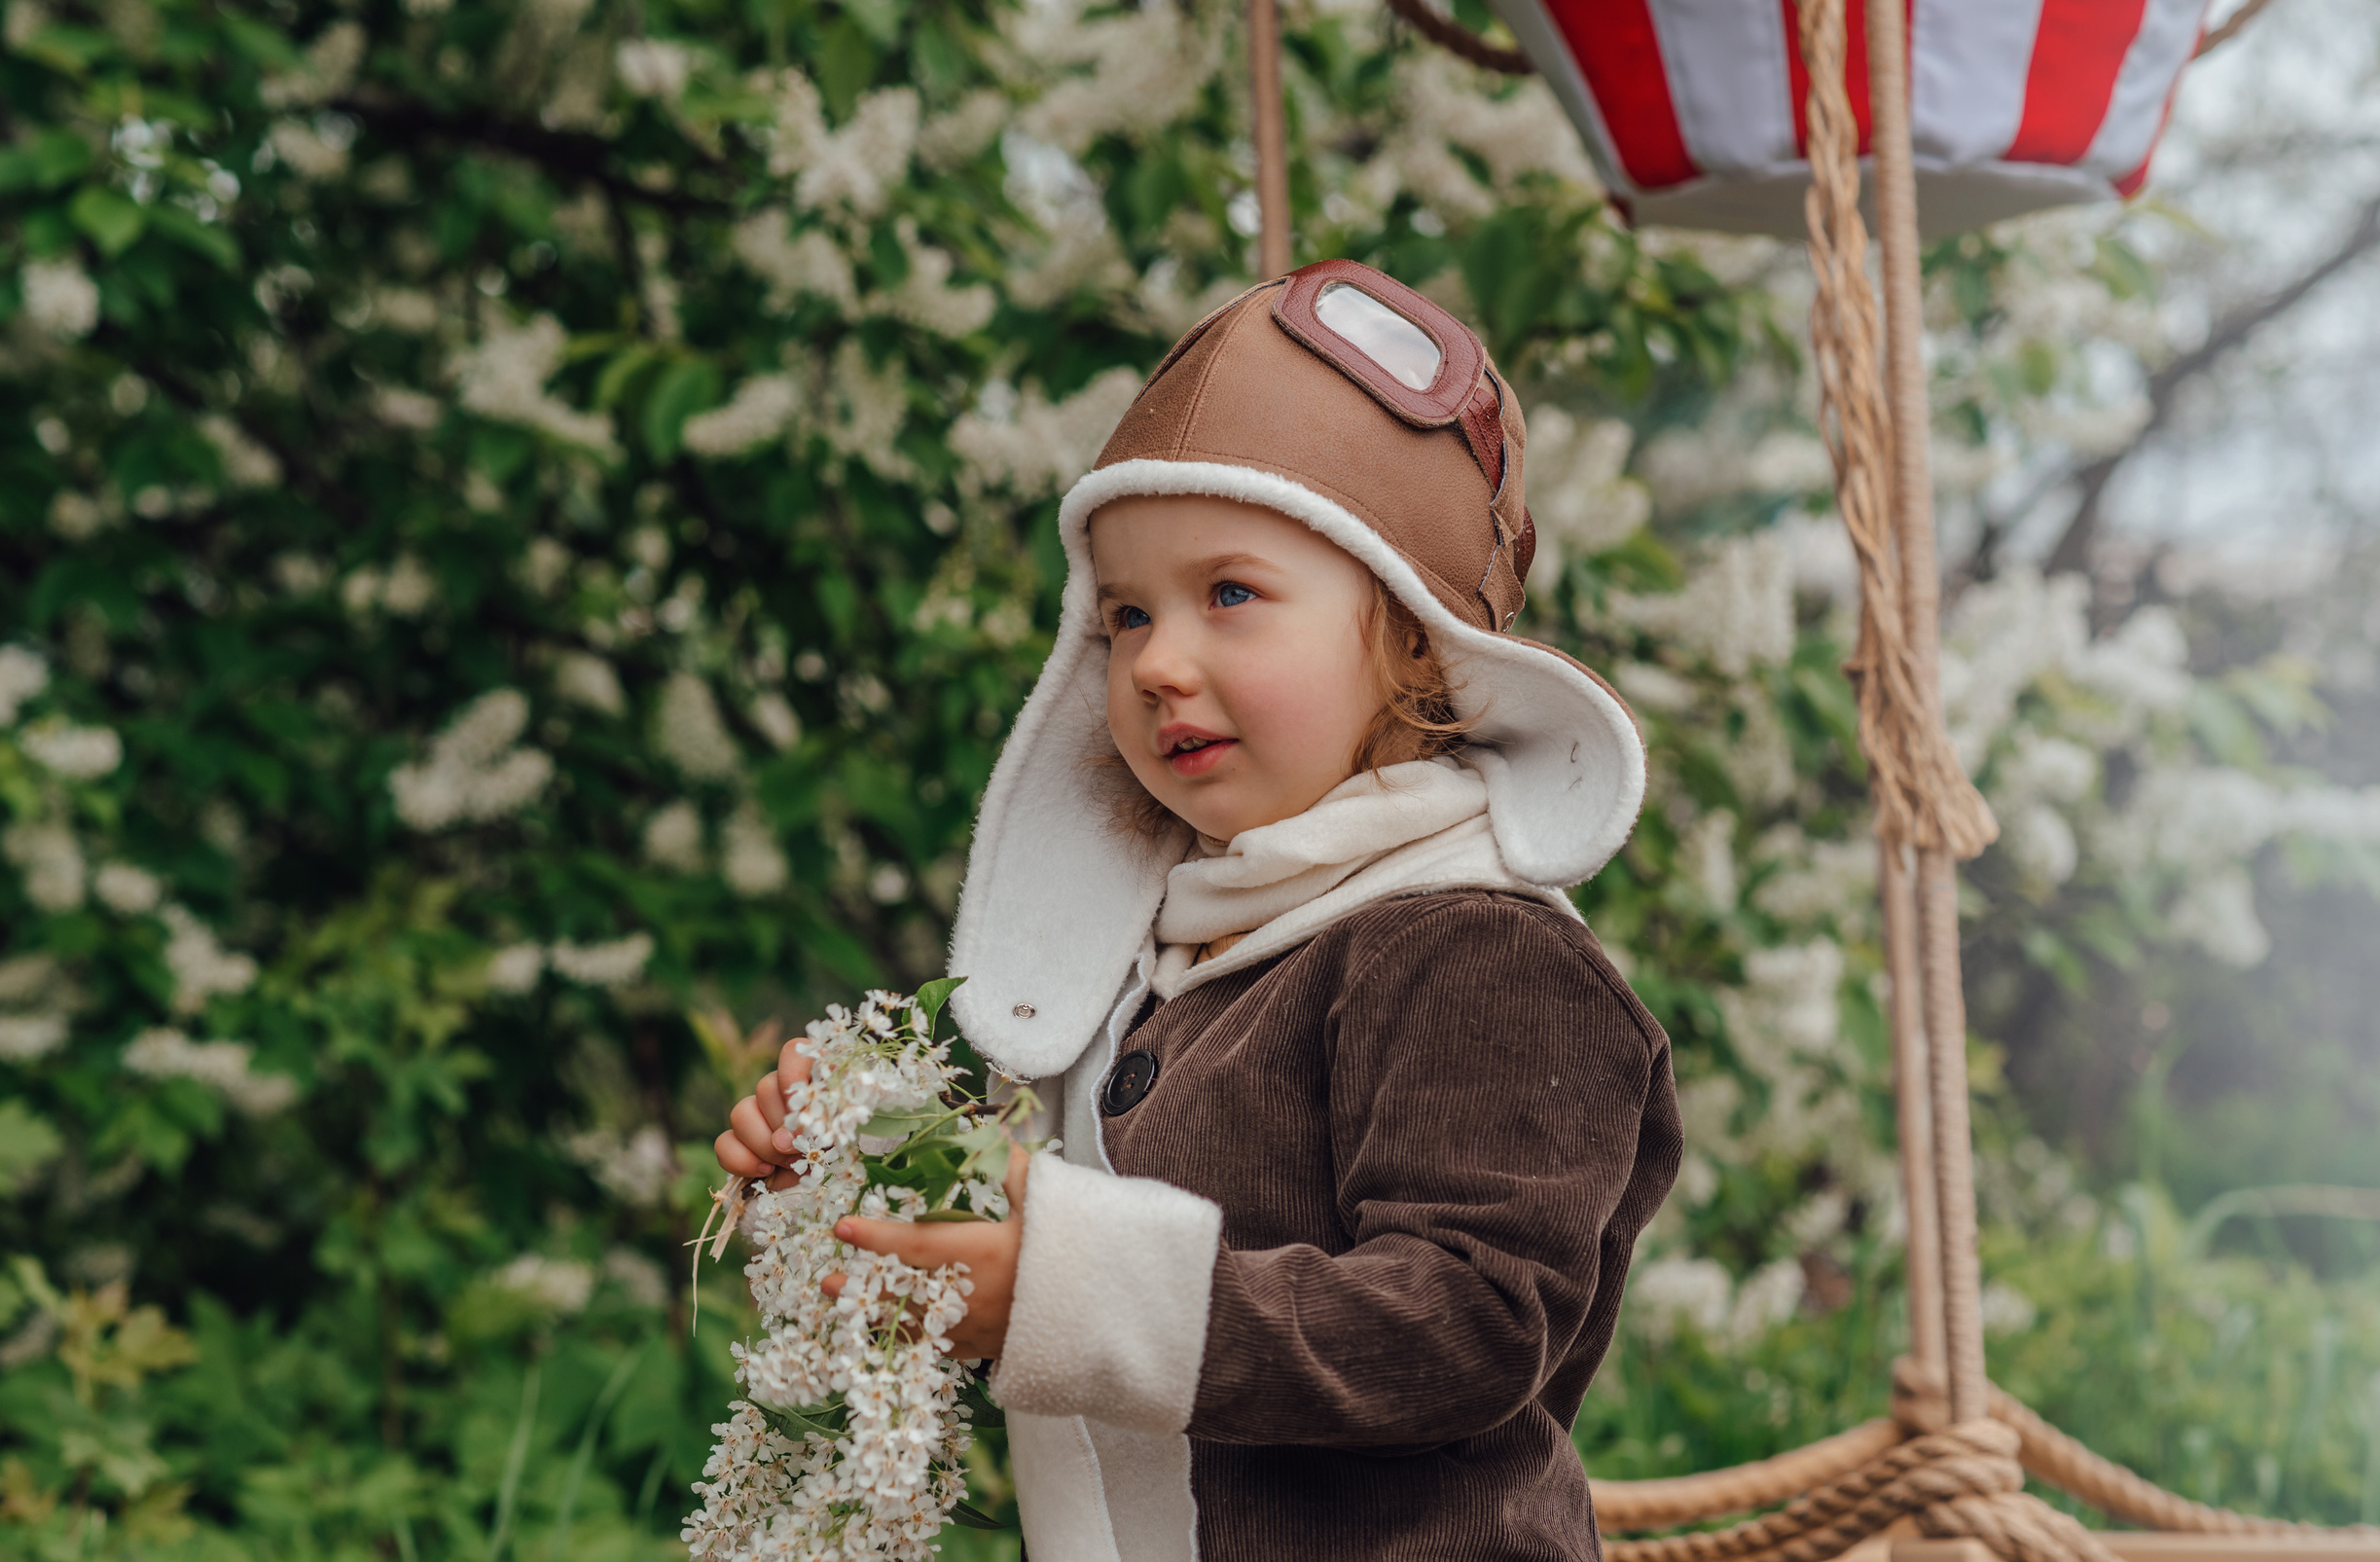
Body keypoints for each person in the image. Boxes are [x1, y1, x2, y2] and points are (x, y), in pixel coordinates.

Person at [716, 260, 1682, 1561]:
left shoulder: (1477, 947)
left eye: (1230, 592)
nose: (1159, 662)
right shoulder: (1183, 948)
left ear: (1405, 631)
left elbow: (1476, 1320)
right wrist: (854, 1151)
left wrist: (1066, 1283)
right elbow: (1079, 1204)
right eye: (1124, 614)